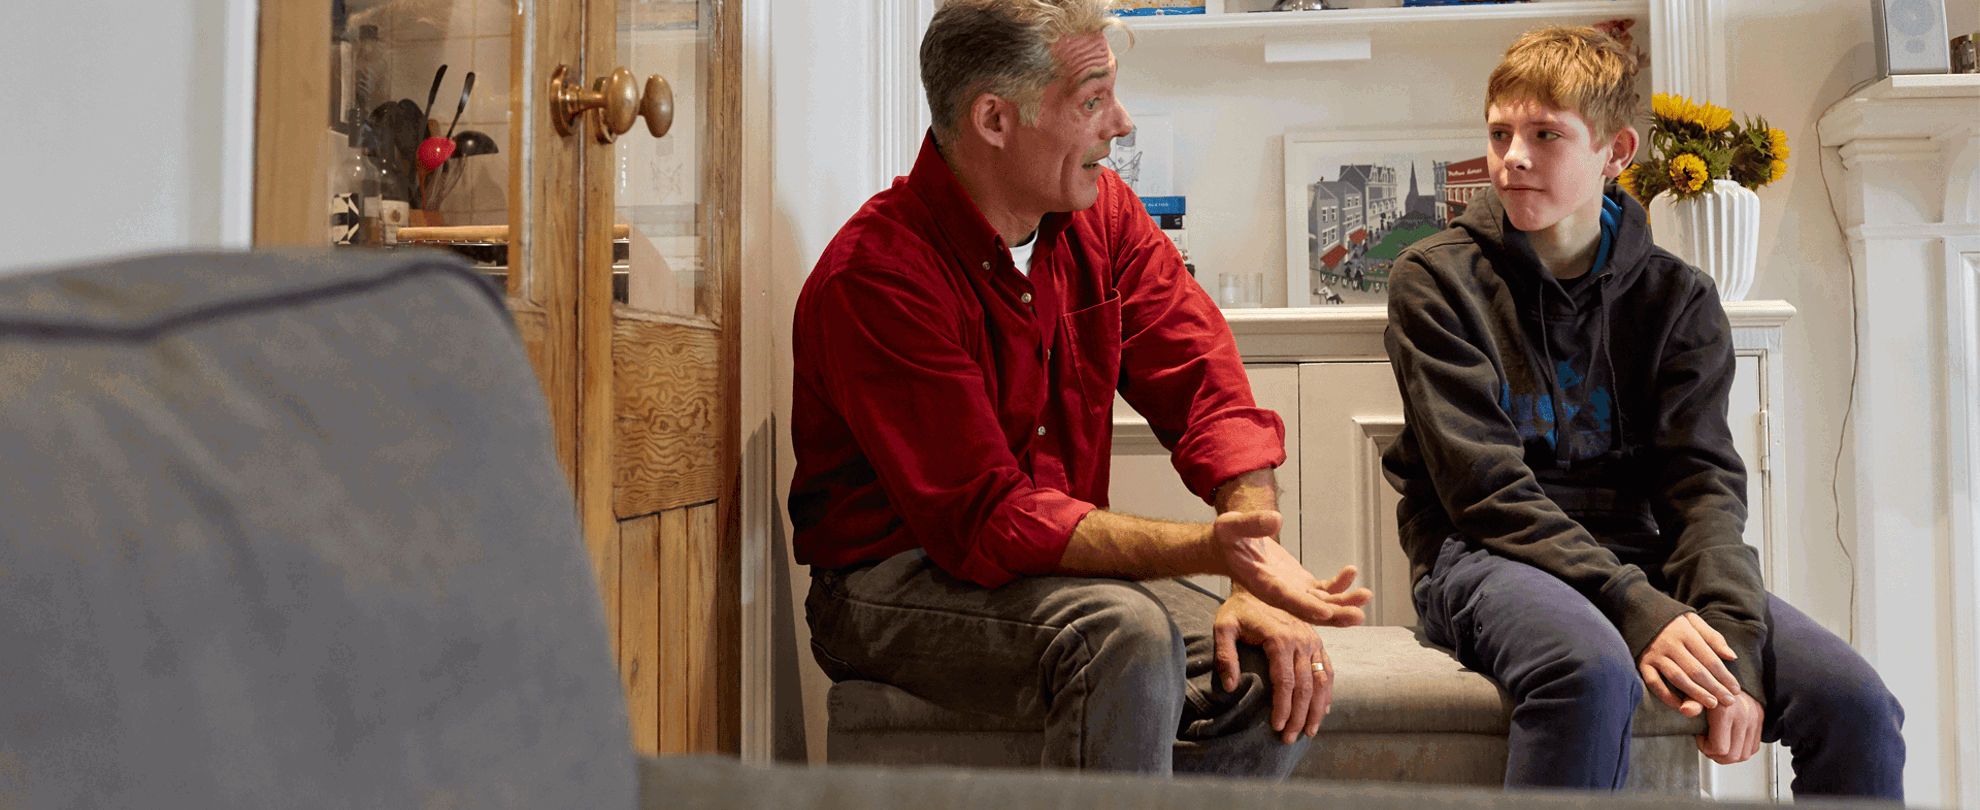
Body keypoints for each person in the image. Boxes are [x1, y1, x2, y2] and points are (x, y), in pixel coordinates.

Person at [788, 0, 1371, 778]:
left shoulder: (1107, 219)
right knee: (1121, 634)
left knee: (1269, 664)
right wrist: (1213, 548)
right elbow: (989, 521)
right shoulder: (878, 278)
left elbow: (1206, 386)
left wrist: (1251, 559)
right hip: (889, 578)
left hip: (1046, 566)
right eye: (1093, 99)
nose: (1121, 123)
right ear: (994, 119)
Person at [1380, 26, 1905, 797]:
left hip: (1646, 551)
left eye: (1545, 134)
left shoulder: (1679, 297)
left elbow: (1701, 489)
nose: (1511, 157)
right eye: (1500, 133)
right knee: (1586, 670)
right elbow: (1484, 492)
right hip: (1482, 552)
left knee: (1856, 704)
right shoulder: (1435, 279)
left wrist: (1734, 638)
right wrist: (1639, 609)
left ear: (1616, 152)